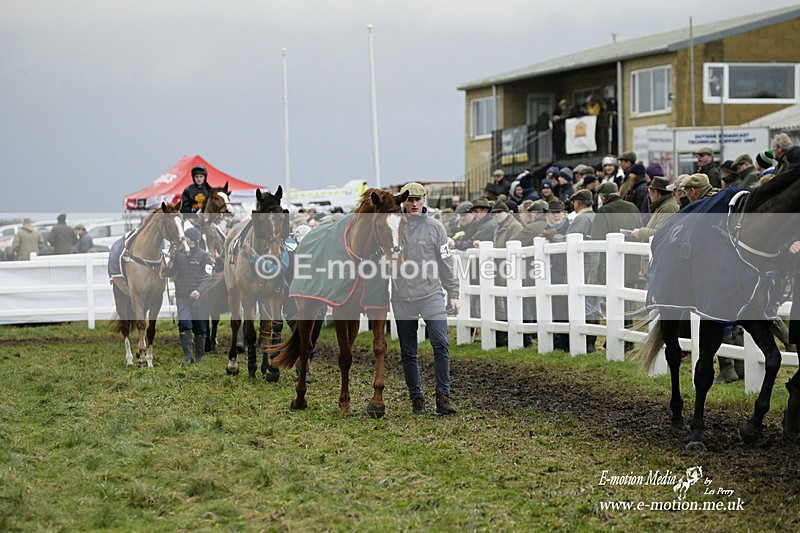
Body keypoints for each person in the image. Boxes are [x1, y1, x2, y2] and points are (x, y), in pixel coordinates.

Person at [392, 182, 460, 415]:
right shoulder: (393, 226)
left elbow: (446, 261)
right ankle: (416, 399)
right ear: (403, 202)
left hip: (431, 293)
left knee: (440, 343)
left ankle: (443, 396)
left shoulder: (436, 227)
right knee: (408, 351)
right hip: (402, 296)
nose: (414, 204)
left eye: (417, 199)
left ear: (424, 200)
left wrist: (453, 293)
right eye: (409, 200)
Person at [170, 226, 213, 365]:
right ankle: (188, 357)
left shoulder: (204, 256)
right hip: (182, 296)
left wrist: (199, 290)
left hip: (199, 297)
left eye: (186, 237)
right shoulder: (179, 255)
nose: (184, 240)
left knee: (200, 327)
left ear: (192, 240)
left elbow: (208, 277)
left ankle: (199, 357)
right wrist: (170, 260)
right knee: (184, 324)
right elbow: (170, 272)